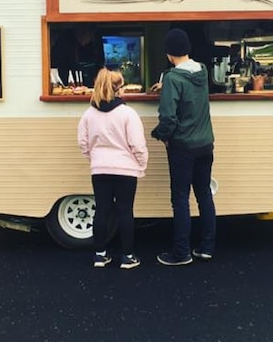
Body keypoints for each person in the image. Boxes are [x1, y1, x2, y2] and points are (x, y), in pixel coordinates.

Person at [151, 28, 216, 266]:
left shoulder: (172, 78)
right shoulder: (202, 70)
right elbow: (189, 94)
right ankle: (207, 248)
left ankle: (182, 253)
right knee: (204, 195)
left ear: (169, 54)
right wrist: (165, 86)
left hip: (182, 147)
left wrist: (160, 135)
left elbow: (168, 118)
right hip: (206, 144)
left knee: (180, 198)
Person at [78, 68, 148, 269]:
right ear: (119, 89)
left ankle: (100, 255)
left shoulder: (89, 114)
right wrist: (141, 165)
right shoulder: (128, 113)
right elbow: (137, 144)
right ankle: (127, 256)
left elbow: (82, 142)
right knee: (125, 211)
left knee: (101, 210)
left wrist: (94, 158)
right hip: (126, 169)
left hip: (99, 168)